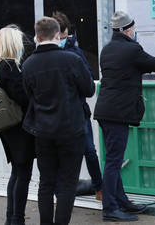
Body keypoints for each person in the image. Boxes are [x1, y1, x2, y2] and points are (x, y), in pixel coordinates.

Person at [94, 11, 155, 222]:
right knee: (113, 161)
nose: (135, 31)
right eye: (133, 27)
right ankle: (110, 208)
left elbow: (132, 69)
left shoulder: (107, 50)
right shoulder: (132, 49)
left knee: (113, 159)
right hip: (117, 113)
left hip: (106, 111)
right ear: (127, 29)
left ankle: (122, 201)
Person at [22, 17, 95, 225]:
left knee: (46, 182)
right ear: (58, 35)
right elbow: (89, 89)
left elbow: (29, 96)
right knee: (68, 183)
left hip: (43, 132)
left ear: (36, 37)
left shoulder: (28, 65)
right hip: (71, 129)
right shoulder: (72, 60)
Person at [0, 26, 35, 225]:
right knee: (23, 173)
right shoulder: (11, 67)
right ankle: (16, 219)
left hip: (7, 125)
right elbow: (22, 97)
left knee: (17, 172)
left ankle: (11, 217)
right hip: (20, 126)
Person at [52, 11, 102, 200]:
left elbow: (88, 78)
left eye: (66, 36)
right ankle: (60, 194)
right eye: (61, 37)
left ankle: (99, 188)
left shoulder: (75, 51)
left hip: (79, 111)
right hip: (59, 113)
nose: (64, 39)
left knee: (89, 150)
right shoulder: (47, 54)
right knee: (61, 156)